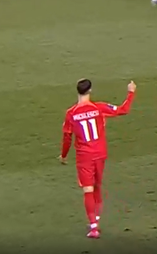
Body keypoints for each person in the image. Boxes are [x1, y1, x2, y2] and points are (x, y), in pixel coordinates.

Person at [59, 78, 136, 239]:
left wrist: (64, 155)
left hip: (84, 156)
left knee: (88, 189)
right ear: (90, 90)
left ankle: (93, 226)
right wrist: (131, 92)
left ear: (77, 91)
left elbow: (67, 137)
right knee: (97, 186)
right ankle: (97, 218)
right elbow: (123, 110)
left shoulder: (71, 113)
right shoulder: (99, 108)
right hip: (100, 153)